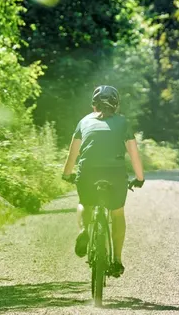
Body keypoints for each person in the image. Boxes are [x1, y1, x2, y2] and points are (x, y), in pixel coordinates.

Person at [62, 85, 144, 278]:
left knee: (84, 203)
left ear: (94, 105)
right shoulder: (123, 122)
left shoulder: (83, 121)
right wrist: (140, 178)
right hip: (115, 174)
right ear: (116, 106)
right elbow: (134, 154)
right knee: (117, 213)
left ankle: (85, 229)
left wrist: (66, 175)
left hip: (87, 172)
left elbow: (72, 154)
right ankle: (116, 260)